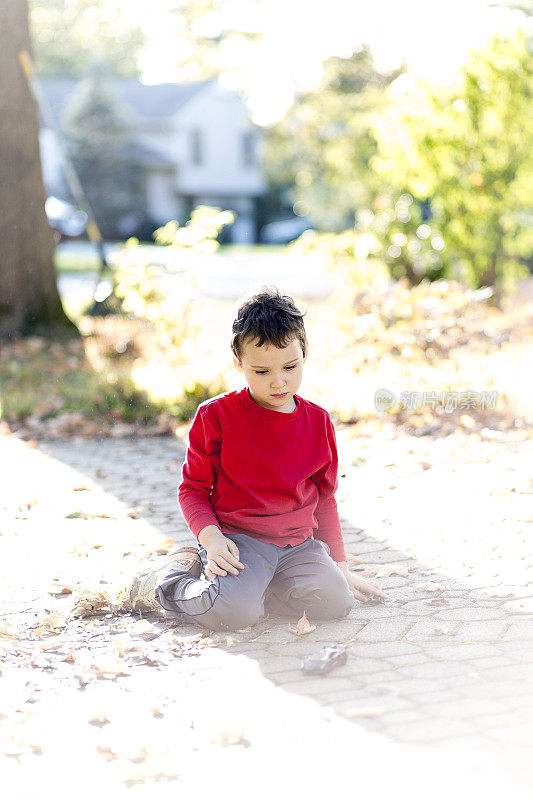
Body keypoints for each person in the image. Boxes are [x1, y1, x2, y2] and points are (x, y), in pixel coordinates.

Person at [129, 287, 386, 631]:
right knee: (233, 613)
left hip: (298, 545)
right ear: (238, 362)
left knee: (336, 601)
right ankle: (169, 584)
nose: (278, 382)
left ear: (304, 353)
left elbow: (324, 497)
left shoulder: (318, 421)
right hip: (239, 542)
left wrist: (340, 565)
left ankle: (254, 591)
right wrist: (212, 539)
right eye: (261, 371)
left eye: (290, 367)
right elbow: (192, 489)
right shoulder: (215, 416)